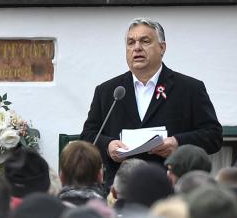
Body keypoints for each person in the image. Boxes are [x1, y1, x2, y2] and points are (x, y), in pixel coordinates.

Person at [80, 18, 222, 188]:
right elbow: (88, 136)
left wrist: (177, 142)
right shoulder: (109, 91)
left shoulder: (189, 88)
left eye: (145, 41)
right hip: (121, 191)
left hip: (171, 189)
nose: (137, 48)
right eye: (131, 42)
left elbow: (213, 136)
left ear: (162, 48)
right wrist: (108, 146)